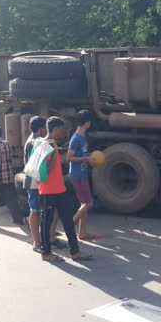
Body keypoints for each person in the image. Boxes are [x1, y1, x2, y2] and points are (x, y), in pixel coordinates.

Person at [39, 116, 91, 263]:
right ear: (56, 129)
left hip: (58, 188)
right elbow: (44, 171)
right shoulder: (46, 144)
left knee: (68, 220)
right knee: (46, 222)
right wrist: (56, 158)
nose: (64, 131)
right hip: (48, 189)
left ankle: (75, 252)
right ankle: (46, 253)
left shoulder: (51, 143)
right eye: (62, 128)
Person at [24, 116, 64, 252]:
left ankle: (50, 238)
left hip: (40, 181)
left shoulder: (39, 141)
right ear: (41, 129)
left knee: (47, 212)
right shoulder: (33, 143)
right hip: (34, 182)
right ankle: (36, 243)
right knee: (35, 212)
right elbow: (36, 166)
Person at [67, 109, 100, 240]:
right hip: (77, 175)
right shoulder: (76, 139)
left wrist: (90, 158)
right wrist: (86, 159)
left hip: (82, 173)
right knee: (89, 204)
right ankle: (70, 225)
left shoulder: (83, 136)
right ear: (87, 123)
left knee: (84, 204)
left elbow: (82, 155)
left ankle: (82, 233)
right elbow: (69, 158)